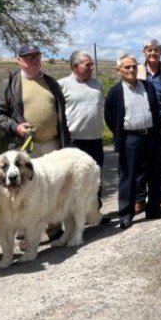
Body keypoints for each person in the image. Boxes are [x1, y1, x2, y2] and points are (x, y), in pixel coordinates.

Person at [104, 54, 161, 229]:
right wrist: (121, 134)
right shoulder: (116, 92)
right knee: (128, 177)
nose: (131, 70)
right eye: (127, 67)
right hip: (130, 138)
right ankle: (126, 214)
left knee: (156, 173)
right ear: (119, 71)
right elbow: (110, 116)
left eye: (133, 66)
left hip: (150, 136)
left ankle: (153, 208)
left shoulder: (147, 87)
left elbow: (154, 109)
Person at [0, 43, 70, 155]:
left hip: (53, 146)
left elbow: (62, 115)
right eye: (30, 57)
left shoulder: (52, 83)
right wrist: (16, 127)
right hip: (25, 146)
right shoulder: (9, 84)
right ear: (19, 60)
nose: (35, 60)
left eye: (37, 56)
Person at [58, 50, 105, 216]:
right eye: (88, 64)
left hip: (96, 139)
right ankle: (75, 217)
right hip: (74, 142)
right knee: (76, 181)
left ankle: (94, 213)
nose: (92, 67)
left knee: (95, 178)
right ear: (75, 66)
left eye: (92, 64)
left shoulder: (97, 84)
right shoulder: (62, 85)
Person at [136, 38, 161, 213]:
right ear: (144, 52)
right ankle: (140, 199)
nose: (153, 53)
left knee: (160, 164)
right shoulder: (137, 70)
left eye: (156, 50)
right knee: (142, 164)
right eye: (149, 50)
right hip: (143, 123)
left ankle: (159, 197)